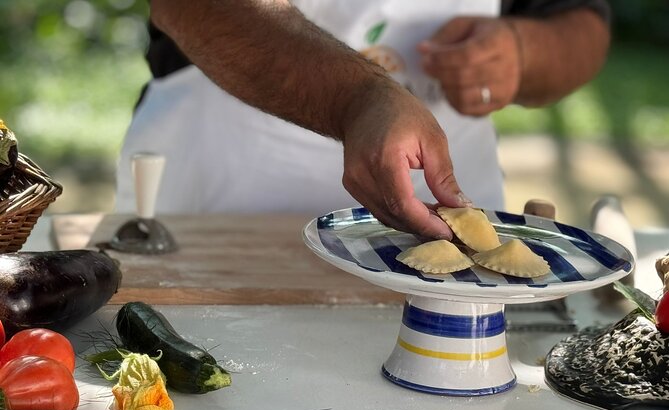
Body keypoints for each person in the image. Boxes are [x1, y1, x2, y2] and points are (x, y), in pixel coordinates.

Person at [115, 0, 610, 240]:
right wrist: (355, 98)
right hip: (215, 224)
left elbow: (581, 23)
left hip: (455, 269)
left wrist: (522, 53)